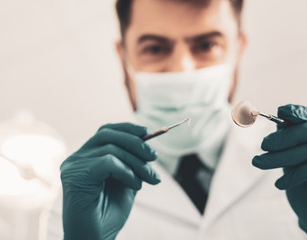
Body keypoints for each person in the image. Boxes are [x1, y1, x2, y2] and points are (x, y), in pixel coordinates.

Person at [47, 0, 307, 239]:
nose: (182, 68)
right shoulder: (80, 197)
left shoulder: (296, 161)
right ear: (122, 56)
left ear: (238, 49)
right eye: (155, 48)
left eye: (206, 45)